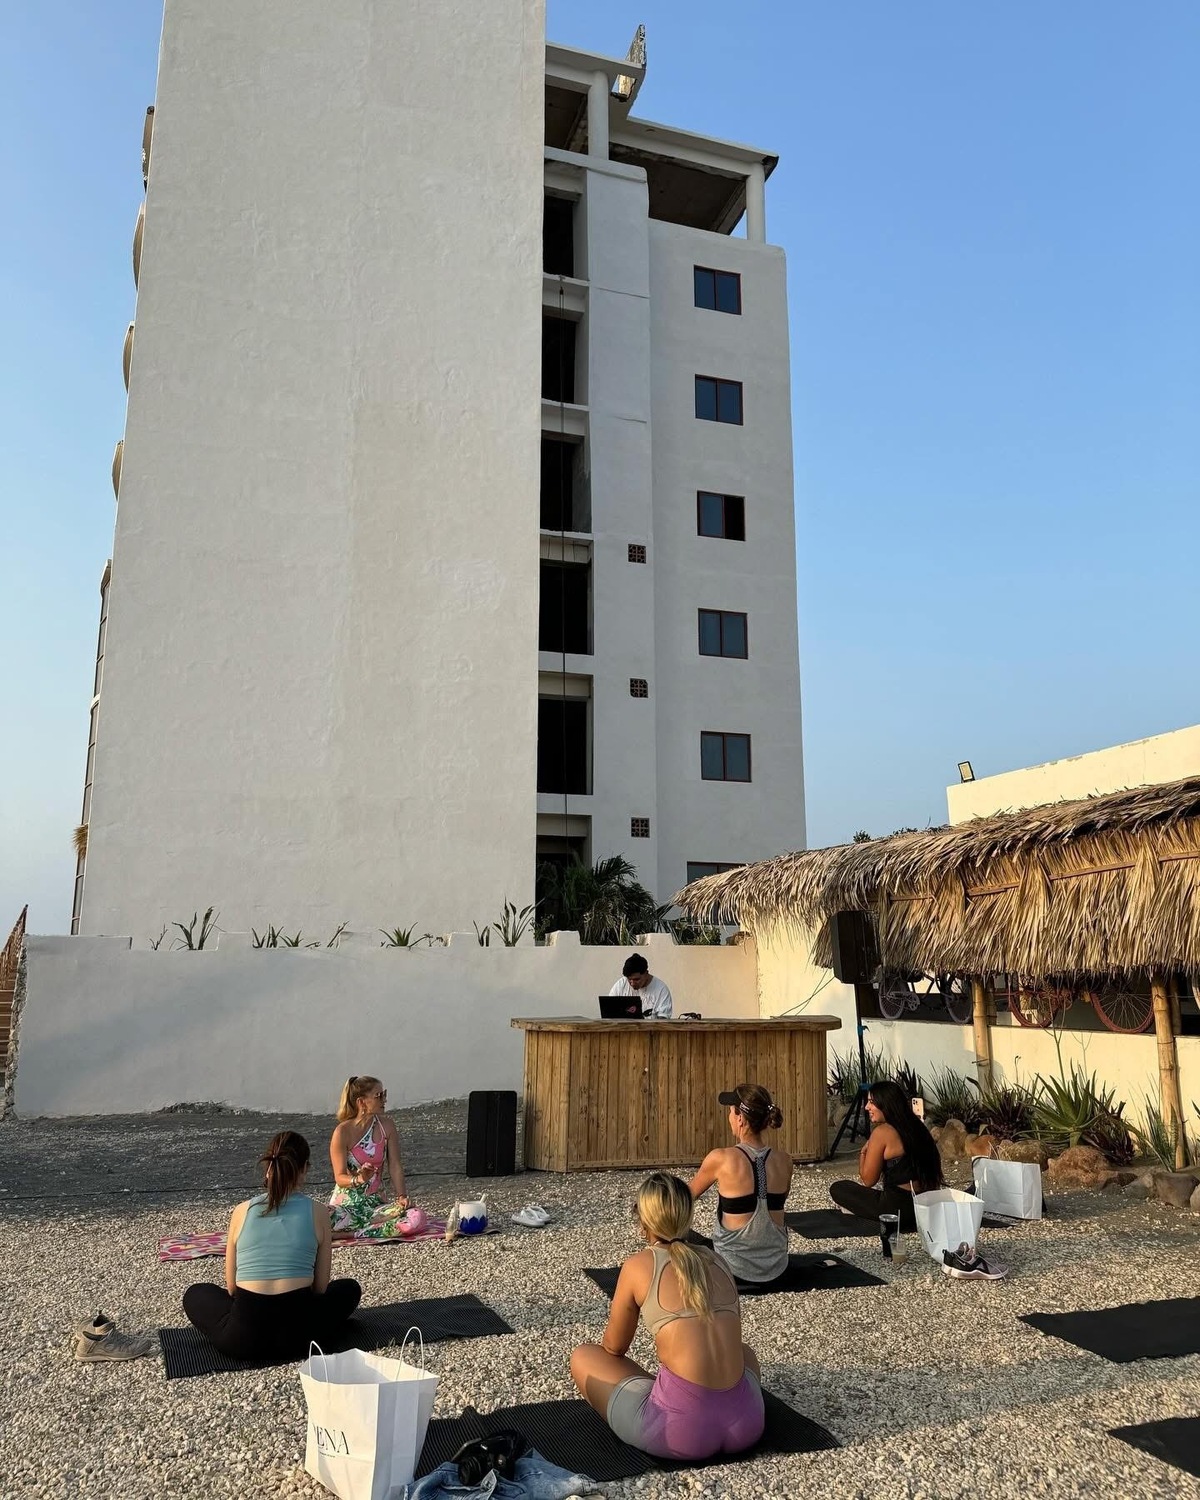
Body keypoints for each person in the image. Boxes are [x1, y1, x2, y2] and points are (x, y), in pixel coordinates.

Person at [570, 1173, 765, 1463]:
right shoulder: (718, 1260)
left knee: (584, 1355)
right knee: (743, 1351)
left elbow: (614, 1347)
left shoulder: (638, 1266)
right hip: (747, 1423)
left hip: (680, 1434)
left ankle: (675, 1397)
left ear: (643, 1221)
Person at [182, 1131, 361, 1362]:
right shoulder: (318, 1212)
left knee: (195, 1293)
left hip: (242, 1340)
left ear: (269, 1167)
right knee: (349, 1289)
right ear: (304, 1169)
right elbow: (319, 1288)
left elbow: (232, 1288)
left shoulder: (241, 1211)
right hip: (303, 1338)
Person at [689, 1084, 791, 1283]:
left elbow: (684, 1197)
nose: (728, 1117)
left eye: (730, 1112)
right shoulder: (785, 1161)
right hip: (777, 1268)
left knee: (679, 1234)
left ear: (740, 1119)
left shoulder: (721, 1158)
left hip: (732, 1270)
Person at [829, 1078, 943, 1230]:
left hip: (899, 1211)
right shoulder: (917, 1127)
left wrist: (863, 1153)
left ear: (886, 1104)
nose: (867, 1107)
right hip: (928, 1207)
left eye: (871, 1102)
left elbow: (868, 1180)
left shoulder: (882, 1132)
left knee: (838, 1188)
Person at [328, 1074, 411, 1238]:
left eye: (384, 1094)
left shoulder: (387, 1126)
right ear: (361, 1102)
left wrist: (402, 1196)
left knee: (414, 1216)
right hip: (347, 1206)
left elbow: (395, 1165)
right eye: (378, 1096)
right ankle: (369, 1230)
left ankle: (354, 1233)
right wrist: (359, 1179)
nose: (384, 1100)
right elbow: (339, 1177)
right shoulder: (342, 1132)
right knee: (323, 1216)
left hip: (375, 1205)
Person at [608, 953, 673, 1018]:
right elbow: (609, 1009)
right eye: (629, 979)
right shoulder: (621, 985)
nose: (632, 983)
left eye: (636, 979)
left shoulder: (661, 989)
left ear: (646, 973)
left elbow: (663, 1019)